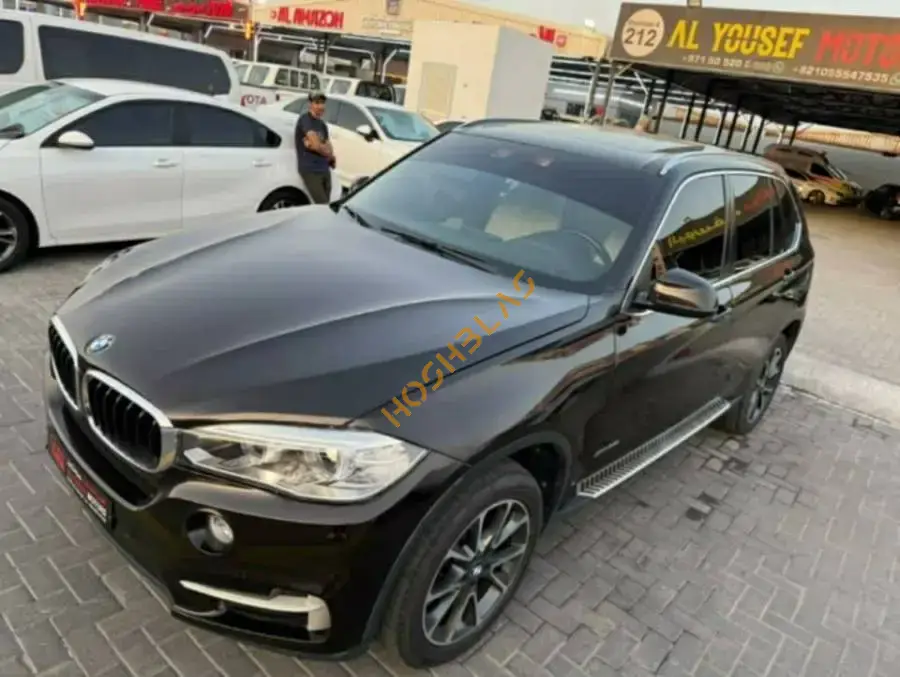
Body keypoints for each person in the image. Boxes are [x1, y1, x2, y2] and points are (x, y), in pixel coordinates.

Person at [295, 91, 336, 204]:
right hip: (311, 170)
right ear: (310, 104)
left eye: (322, 103)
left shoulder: (322, 125)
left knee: (326, 205)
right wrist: (318, 147)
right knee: (322, 205)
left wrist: (316, 146)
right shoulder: (305, 120)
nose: (320, 106)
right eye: (317, 103)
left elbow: (329, 149)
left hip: (324, 169)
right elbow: (316, 145)